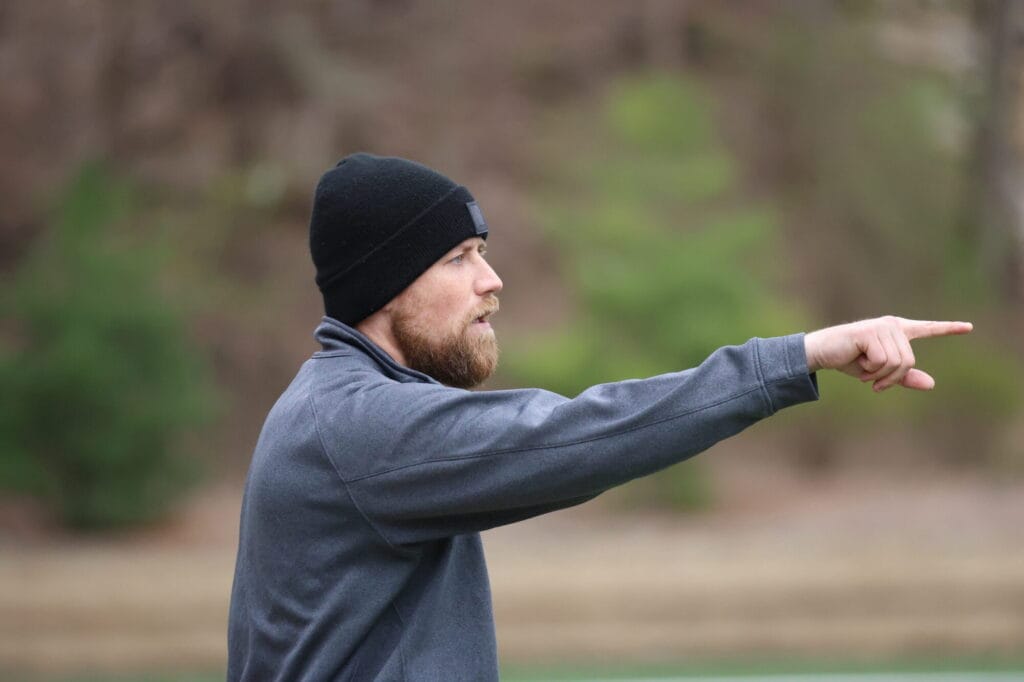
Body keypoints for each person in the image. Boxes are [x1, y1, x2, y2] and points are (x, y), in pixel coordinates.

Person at [226, 153, 973, 681]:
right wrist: (798, 356)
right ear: (385, 287)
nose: (493, 279)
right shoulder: (358, 425)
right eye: (458, 257)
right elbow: (581, 436)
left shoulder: (337, 407)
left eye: (482, 250)